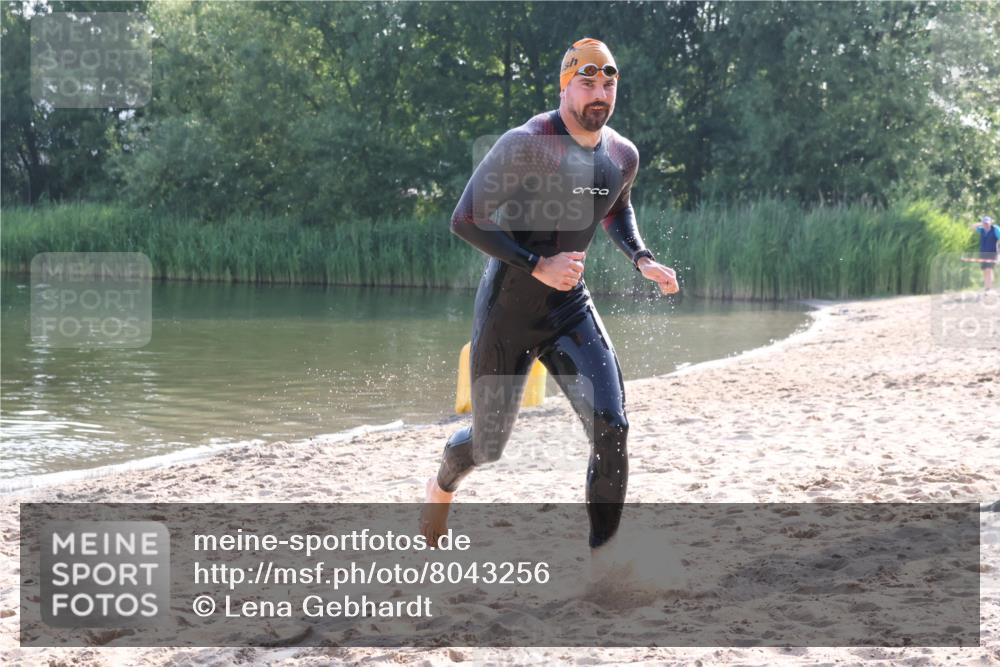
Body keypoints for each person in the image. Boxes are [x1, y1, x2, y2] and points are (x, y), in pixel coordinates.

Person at [420, 38, 680, 557]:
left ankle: (602, 562)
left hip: (569, 309)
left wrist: (642, 257)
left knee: (612, 426)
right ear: (565, 87)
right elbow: (465, 220)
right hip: (508, 311)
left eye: (608, 83)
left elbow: (615, 206)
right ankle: (441, 486)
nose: (599, 94)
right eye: (587, 83)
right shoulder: (527, 142)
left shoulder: (621, 155)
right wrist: (540, 264)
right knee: (487, 445)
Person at [971, 215, 999, 292]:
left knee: (989, 269)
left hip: (992, 253)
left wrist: (999, 254)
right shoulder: (981, 229)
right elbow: (972, 227)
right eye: (985, 223)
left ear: (991, 223)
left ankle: (989, 288)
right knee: (985, 271)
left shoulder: (995, 229)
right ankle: (987, 287)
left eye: (987, 223)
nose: (986, 225)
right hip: (983, 253)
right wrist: (981, 223)